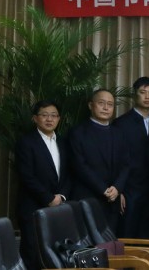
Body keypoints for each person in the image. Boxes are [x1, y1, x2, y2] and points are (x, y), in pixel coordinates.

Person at [15, 100, 72, 270]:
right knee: (32, 253)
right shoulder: (26, 142)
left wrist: (61, 196)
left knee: (55, 255)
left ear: (59, 118)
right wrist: (48, 198)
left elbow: (69, 173)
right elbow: (26, 176)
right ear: (35, 118)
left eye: (54, 115)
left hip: (58, 208)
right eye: (44, 115)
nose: (49, 119)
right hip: (32, 207)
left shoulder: (63, 142)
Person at [69, 89, 130, 231]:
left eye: (110, 104)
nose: (106, 108)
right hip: (87, 199)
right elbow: (79, 166)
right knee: (89, 243)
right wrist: (103, 189)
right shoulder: (77, 132)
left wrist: (117, 188)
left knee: (110, 242)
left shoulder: (119, 133)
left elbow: (126, 165)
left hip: (113, 201)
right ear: (91, 105)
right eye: (101, 103)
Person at [114, 76, 149, 239]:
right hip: (130, 190)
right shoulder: (121, 123)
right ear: (135, 94)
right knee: (128, 235)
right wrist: (119, 190)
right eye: (143, 92)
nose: (147, 97)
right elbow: (116, 159)